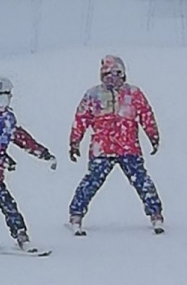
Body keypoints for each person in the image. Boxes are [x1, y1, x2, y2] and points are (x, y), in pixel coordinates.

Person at [68, 55, 164, 235]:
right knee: (92, 181)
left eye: (116, 74)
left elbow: (146, 114)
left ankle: (155, 214)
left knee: (142, 181)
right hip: (102, 148)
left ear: (123, 74)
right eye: (106, 74)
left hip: (128, 147)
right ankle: (76, 213)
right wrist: (75, 141)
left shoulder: (133, 94)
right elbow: (81, 118)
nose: (111, 78)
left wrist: (153, 135)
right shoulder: (93, 95)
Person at [0, 76, 57, 252]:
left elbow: (19, 136)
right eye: (4, 95)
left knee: (8, 203)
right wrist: (3, 158)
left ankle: (20, 234)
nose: (8, 99)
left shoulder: (7, 117)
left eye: (9, 95)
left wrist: (40, 151)